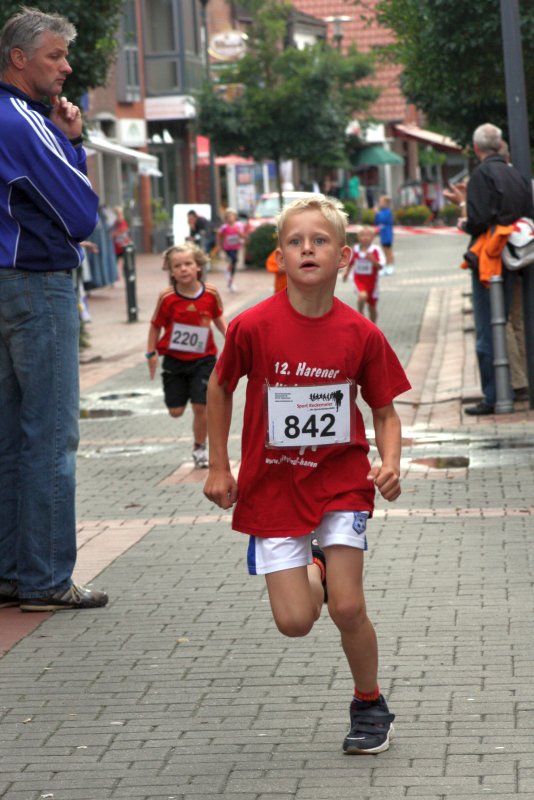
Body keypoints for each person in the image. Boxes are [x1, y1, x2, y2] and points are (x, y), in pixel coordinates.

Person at [204, 195, 410, 754]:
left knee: (347, 606)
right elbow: (219, 387)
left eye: (319, 240)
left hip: (340, 481)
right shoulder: (253, 326)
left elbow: (385, 411)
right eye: (295, 241)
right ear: (279, 256)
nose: (307, 249)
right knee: (295, 621)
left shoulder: (360, 333)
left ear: (343, 256)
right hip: (273, 486)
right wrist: (219, 466)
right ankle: (316, 565)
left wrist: (390, 462)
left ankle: (369, 703)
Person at [0, 8, 109, 612]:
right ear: (19, 59)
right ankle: (45, 579)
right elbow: (82, 212)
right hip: (37, 284)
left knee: (10, 436)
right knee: (50, 436)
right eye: (55, 56)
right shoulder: (23, 120)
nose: (66, 67)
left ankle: (11, 573)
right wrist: (73, 144)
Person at [444, 123, 534, 415]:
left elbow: (480, 219)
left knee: (488, 328)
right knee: (514, 322)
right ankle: (515, 386)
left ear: (476, 148)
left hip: (491, 259)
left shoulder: (481, 175)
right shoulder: (515, 173)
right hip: (518, 256)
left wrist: (466, 223)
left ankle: (494, 396)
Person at [147, 243, 227, 469]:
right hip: (175, 361)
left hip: (204, 359)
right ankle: (180, 400)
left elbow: (218, 318)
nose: (183, 269)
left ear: (198, 266)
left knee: (201, 406)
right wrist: (150, 352)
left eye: (188, 264)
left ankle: (199, 448)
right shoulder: (167, 297)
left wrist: (231, 337)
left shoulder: (210, 293)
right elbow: (155, 325)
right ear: (171, 271)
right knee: (176, 412)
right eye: (177, 266)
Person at [342, 225, 386, 324]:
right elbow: (351, 263)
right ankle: (360, 313)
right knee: (362, 296)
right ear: (358, 237)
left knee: (372, 307)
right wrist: (346, 273)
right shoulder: (355, 249)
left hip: (372, 283)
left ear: (373, 237)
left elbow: (381, 266)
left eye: (368, 235)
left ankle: (373, 326)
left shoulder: (376, 250)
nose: (365, 237)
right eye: (362, 235)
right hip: (358, 280)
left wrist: (373, 261)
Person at [216, 207, 244, 292]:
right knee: (234, 259)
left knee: (234, 264)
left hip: (236, 247)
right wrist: (219, 245)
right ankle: (227, 271)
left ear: (235, 217)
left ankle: (230, 281)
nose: (230, 218)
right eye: (228, 217)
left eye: (232, 216)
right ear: (226, 218)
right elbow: (219, 235)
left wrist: (239, 233)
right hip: (227, 248)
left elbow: (242, 236)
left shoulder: (239, 225)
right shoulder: (224, 227)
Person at [374, 195, 395, 273]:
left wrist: (377, 213)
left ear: (386, 203)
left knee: (389, 251)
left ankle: (391, 266)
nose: (380, 204)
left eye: (381, 202)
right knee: (384, 251)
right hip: (383, 235)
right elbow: (377, 221)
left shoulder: (388, 211)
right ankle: (387, 265)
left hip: (388, 234)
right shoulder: (382, 212)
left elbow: (383, 219)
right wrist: (376, 214)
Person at [111, 206, 132, 278]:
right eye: (118, 214)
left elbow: (126, 233)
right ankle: (115, 276)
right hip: (116, 248)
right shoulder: (114, 224)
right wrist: (118, 232)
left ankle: (126, 276)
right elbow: (112, 235)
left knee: (126, 263)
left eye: (121, 214)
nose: (120, 216)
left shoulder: (124, 222)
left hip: (124, 246)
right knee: (114, 263)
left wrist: (129, 241)